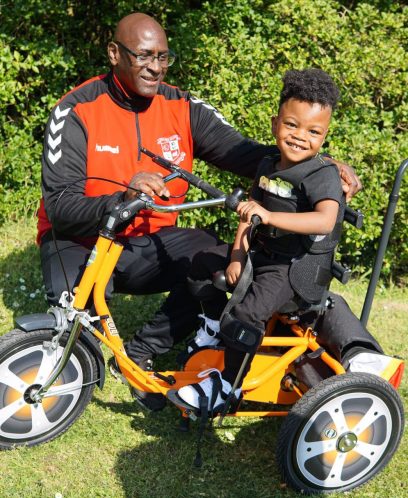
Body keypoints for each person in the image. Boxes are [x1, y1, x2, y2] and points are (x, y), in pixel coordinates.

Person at [38, 13, 380, 412]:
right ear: (114, 53)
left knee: (215, 260)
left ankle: (144, 348)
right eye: (144, 56)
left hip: (149, 244)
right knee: (76, 333)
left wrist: (323, 167)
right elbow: (61, 207)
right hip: (83, 242)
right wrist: (121, 198)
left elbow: (253, 154)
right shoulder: (75, 111)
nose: (155, 67)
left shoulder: (182, 106)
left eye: (164, 57)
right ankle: (90, 342)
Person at [176, 69, 394, 412]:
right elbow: (251, 213)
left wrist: (271, 217)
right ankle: (216, 330)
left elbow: (325, 219)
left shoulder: (322, 175)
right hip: (259, 253)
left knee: (248, 314)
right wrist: (236, 254)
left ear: (324, 136)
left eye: (313, 131)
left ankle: (226, 387)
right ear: (276, 122)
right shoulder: (267, 164)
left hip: (292, 270)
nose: (299, 137)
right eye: (291, 125)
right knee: (203, 264)